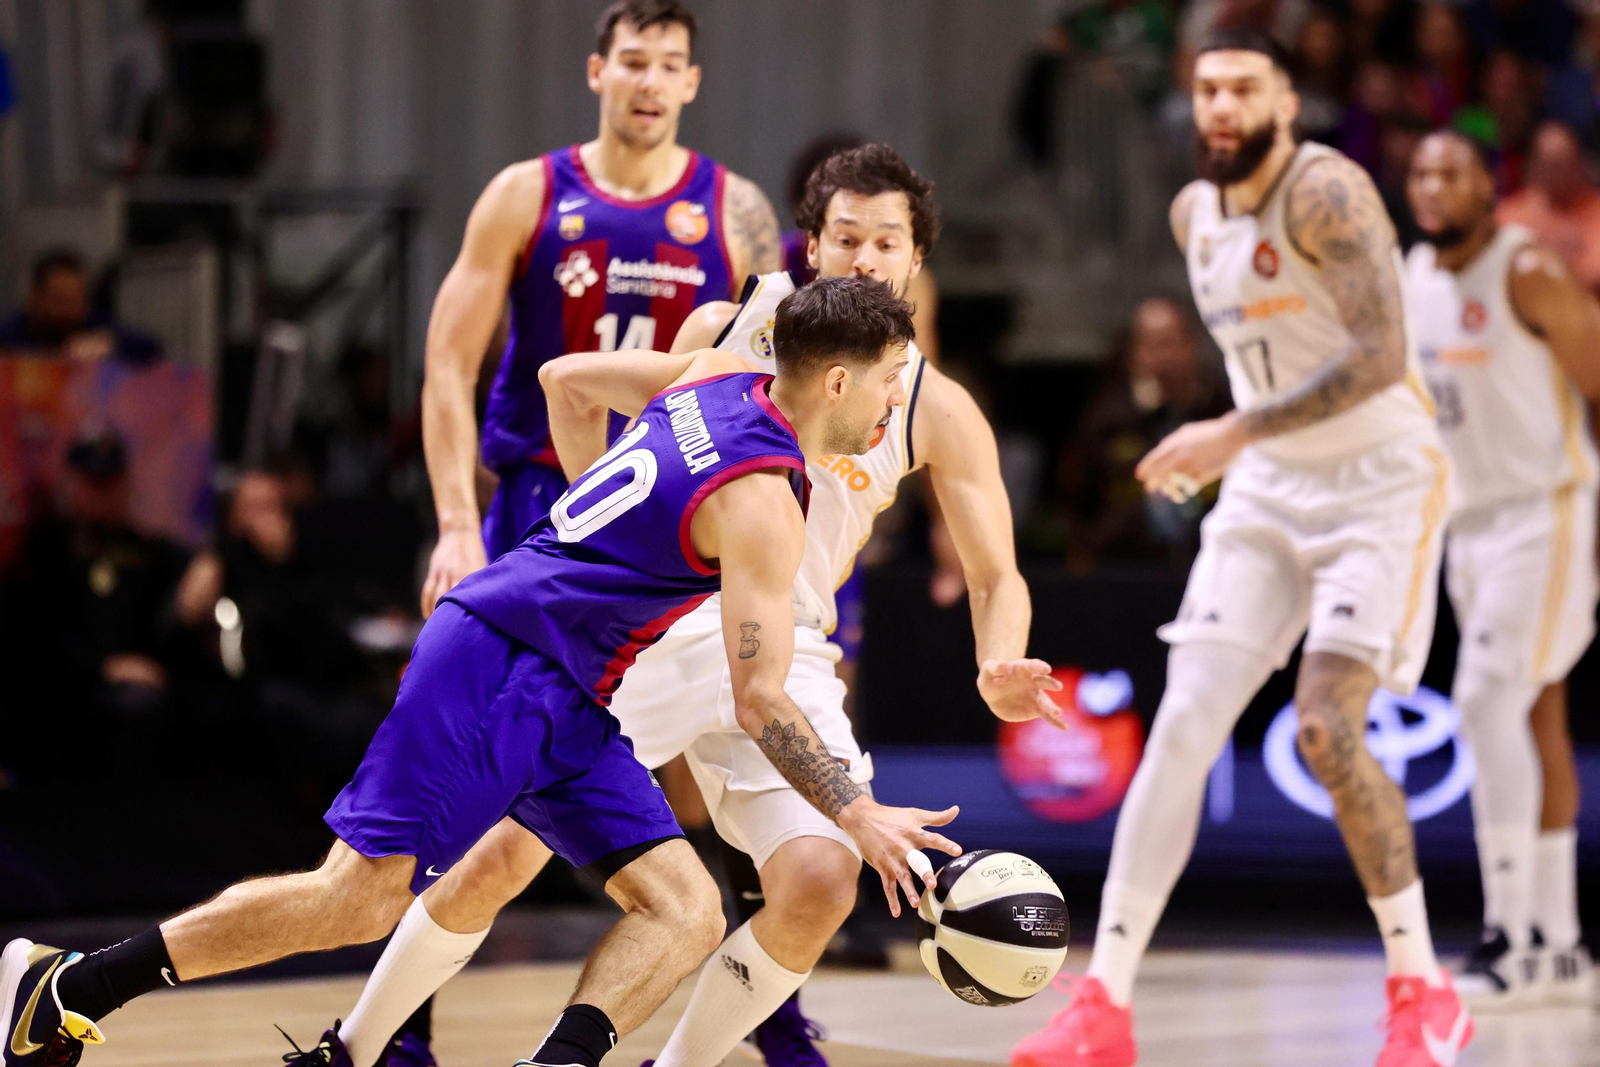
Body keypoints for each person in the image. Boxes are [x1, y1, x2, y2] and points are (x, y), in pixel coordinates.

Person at [0, 276, 968, 1067]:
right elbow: (759, 695)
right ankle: (70, 984)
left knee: (684, 908)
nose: (898, 400)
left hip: (570, 690)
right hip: (501, 661)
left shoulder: (713, 374)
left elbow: (566, 376)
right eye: (891, 378)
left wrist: (597, 508)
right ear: (836, 381)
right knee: (357, 895)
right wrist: (857, 811)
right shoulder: (763, 498)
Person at [317, 143, 1063, 1067]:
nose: (865, 257)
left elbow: (997, 574)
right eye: (847, 237)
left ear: (916, 258)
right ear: (812, 246)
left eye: (887, 241)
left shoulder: (934, 406)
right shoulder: (734, 321)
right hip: (666, 627)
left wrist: (998, 657)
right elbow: (587, 396)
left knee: (822, 880)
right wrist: (591, 529)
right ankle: (350, 1046)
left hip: (782, 653)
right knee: (504, 850)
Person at [1011, 30, 1472, 1067]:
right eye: (1208, 88)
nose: (1221, 106)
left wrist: (1229, 433)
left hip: (1379, 486)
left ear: (1284, 101)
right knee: (1181, 723)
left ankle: (1422, 987)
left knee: (1325, 724)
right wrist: (1241, 444)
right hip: (1269, 488)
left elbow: (1380, 354)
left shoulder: (1325, 191)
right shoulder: (1192, 212)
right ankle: (1105, 1002)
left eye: (1243, 90)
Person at [419, 0, 780, 612]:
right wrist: (456, 526)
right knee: (514, 703)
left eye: (669, 66)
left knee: (652, 707)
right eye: (633, 62)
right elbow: (447, 367)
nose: (650, 82)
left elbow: (772, 387)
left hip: (674, 505)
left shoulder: (738, 211)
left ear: (691, 82)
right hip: (540, 490)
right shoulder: (524, 194)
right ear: (596, 71)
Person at [1405, 129, 1599, 1008]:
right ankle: (1561, 943)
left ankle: (1507, 928)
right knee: (1537, 708)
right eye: (1422, 172)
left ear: (1492, 187)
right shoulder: (1415, 272)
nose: (1435, 185)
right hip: (1467, 522)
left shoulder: (1527, 270)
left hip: (1545, 511)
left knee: (1485, 699)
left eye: (1454, 171)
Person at [0, 249, 160, 364]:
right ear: (35, 297)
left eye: (78, 301)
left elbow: (150, 347)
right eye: (60, 301)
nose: (70, 311)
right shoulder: (9, 334)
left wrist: (112, 342)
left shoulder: (92, 324)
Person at [1497, 120, 1600, 294]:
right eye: (1554, 165)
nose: (1563, 173)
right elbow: (1506, 274)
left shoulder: (1595, 207)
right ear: (1534, 165)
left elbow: (1594, 272)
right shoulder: (1510, 214)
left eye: (1570, 162)